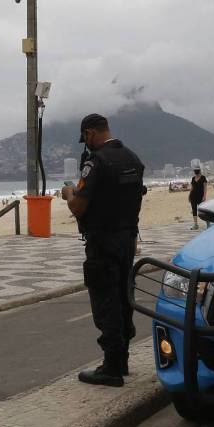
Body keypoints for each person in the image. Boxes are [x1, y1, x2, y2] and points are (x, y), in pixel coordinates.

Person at [61, 113, 145, 387]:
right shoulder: (133, 158)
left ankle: (110, 367)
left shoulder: (96, 162)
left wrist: (70, 192)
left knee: (105, 299)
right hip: (127, 239)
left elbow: (78, 207)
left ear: (89, 133)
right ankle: (122, 360)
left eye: (85, 138)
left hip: (103, 241)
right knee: (123, 297)